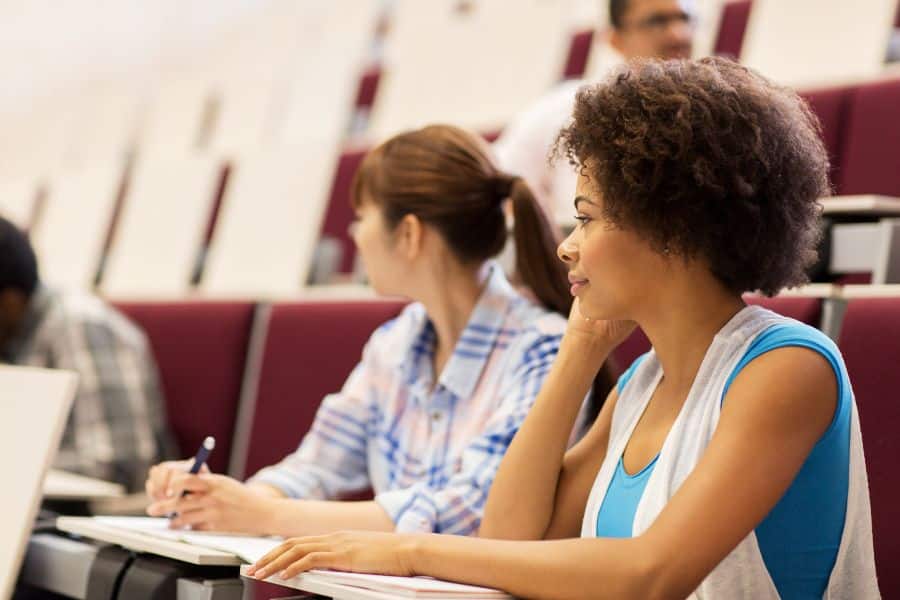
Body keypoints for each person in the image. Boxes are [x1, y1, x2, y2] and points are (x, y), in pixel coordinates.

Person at [248, 58, 879, 599]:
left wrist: (411, 551)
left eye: (586, 219)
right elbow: (510, 535)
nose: (566, 249)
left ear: (671, 227)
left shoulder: (789, 366)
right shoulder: (643, 382)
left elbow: (649, 576)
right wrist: (578, 352)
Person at [145, 125, 613, 537]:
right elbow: (315, 467)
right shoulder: (395, 342)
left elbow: (476, 512)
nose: (353, 235)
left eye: (362, 217)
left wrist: (264, 515)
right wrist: (216, 497)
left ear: (408, 234)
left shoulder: (540, 349)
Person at [0, 216, 174, 492]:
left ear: (9, 302)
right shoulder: (12, 335)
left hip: (103, 517)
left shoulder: (79, 325)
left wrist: (12, 468)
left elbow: (118, 464)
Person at [494, 0, 695, 223]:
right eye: (657, 22)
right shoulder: (563, 107)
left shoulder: (714, 118)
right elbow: (497, 191)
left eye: (684, 19)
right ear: (616, 39)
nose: (680, 35)